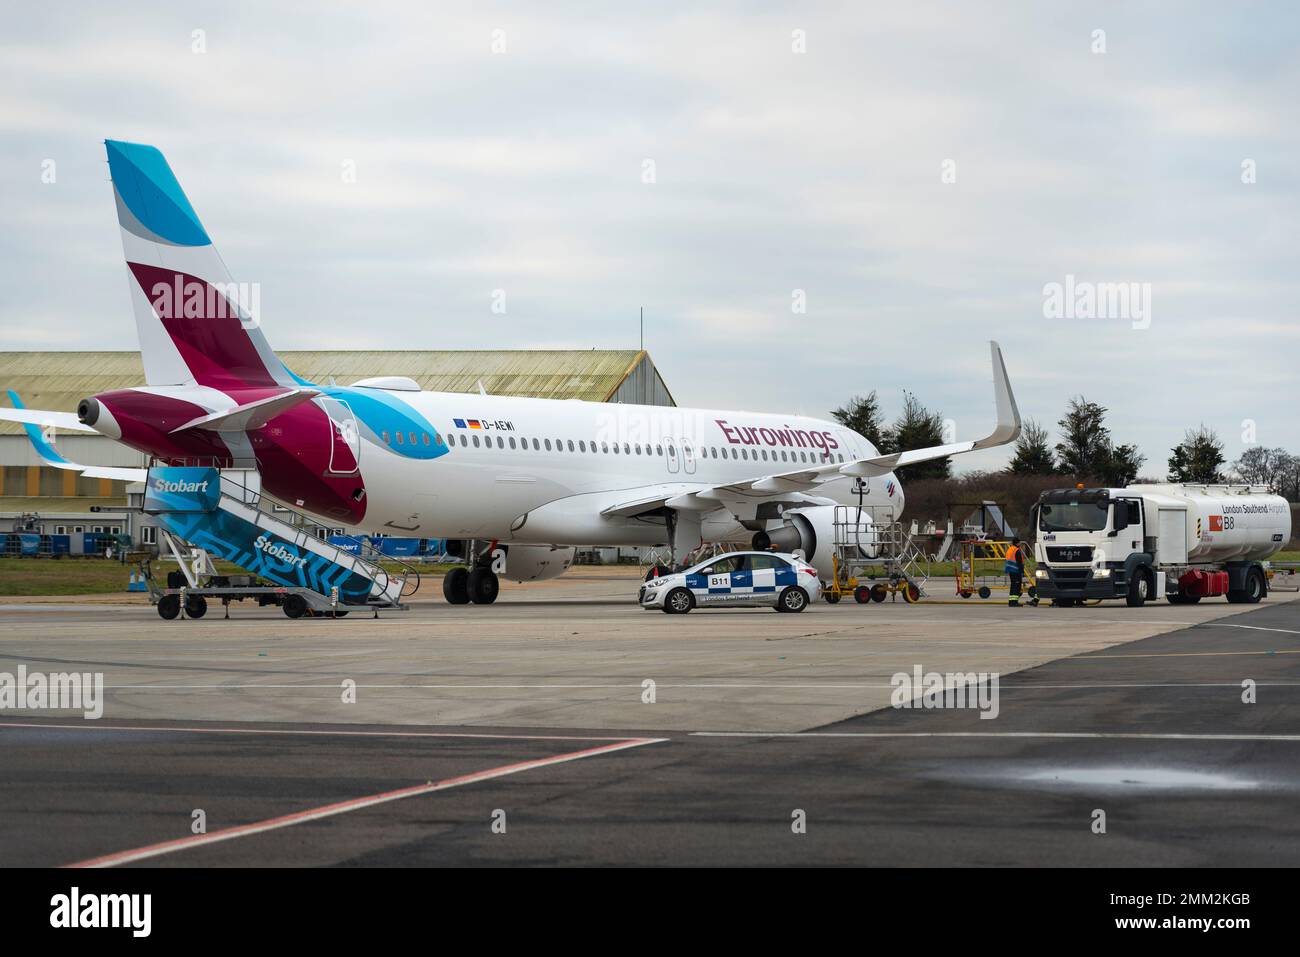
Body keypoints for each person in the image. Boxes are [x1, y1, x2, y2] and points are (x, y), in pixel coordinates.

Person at [1005, 539, 1026, 607]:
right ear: (1017, 543)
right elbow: (1019, 562)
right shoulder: (1016, 550)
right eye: (1019, 543)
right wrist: (1022, 572)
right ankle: (1014, 602)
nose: (1020, 544)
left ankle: (1011, 601)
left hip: (1010, 570)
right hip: (1016, 571)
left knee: (1013, 586)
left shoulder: (1010, 549)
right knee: (1016, 587)